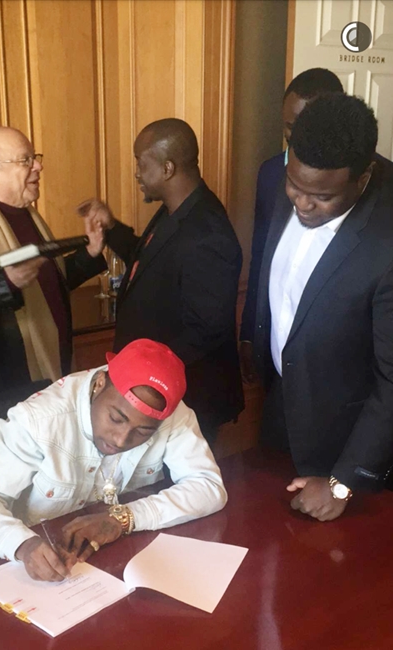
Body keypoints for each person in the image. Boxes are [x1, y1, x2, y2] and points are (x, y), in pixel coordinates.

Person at [0, 339, 227, 582]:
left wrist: (124, 519)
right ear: (99, 383)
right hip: (31, 567)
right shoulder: (38, 420)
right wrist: (22, 545)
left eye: (143, 432)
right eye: (116, 418)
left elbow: (208, 486)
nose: (121, 439)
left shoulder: (171, 414)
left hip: (118, 560)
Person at [250, 92, 393, 522]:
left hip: (345, 447)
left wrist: (343, 481)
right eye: (295, 186)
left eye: (321, 197)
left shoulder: (386, 241)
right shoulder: (298, 176)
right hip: (279, 412)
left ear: (362, 179)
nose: (302, 203)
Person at [79, 118, 244, 444]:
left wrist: (143, 377)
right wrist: (110, 228)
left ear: (167, 168)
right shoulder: (177, 210)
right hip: (155, 396)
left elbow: (205, 330)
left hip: (185, 399)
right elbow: (149, 260)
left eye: (141, 163)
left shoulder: (208, 232)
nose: (137, 173)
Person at [0, 126, 106, 397]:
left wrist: (89, 254)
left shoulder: (29, 217)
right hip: (0, 387)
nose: (38, 166)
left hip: (53, 369)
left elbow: (47, 284)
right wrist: (5, 285)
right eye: (25, 160)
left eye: (35, 157)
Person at [240, 68, 344, 381]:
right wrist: (249, 333)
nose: (297, 139)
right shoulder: (271, 173)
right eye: (289, 128)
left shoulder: (380, 185)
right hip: (275, 365)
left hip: (333, 377)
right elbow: (261, 257)